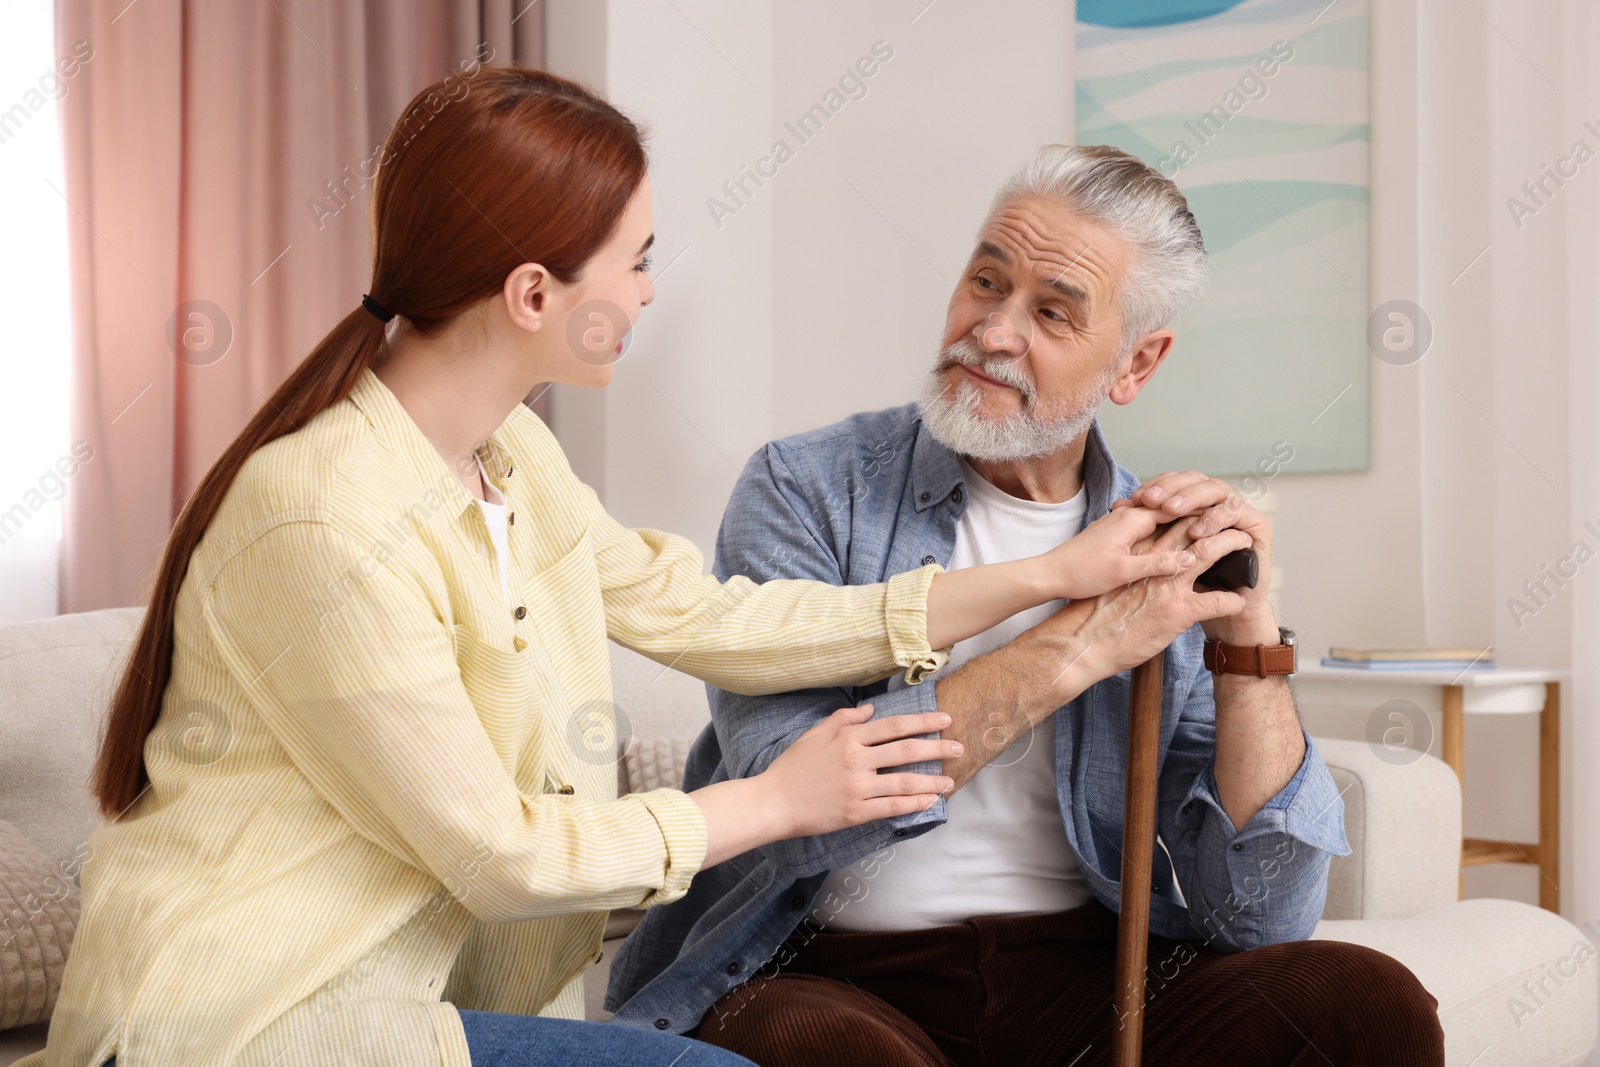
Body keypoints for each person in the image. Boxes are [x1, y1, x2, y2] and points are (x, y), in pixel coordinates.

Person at [23, 75, 1237, 1067]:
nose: (653, 289)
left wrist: (1051, 574)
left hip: (409, 1017)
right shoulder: (322, 517)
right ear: (537, 292)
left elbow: (705, 613)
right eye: (637, 259)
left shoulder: (509, 457)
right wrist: (775, 799)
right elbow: (497, 853)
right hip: (247, 1025)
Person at [605, 144, 1447, 1065]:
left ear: (1135, 364)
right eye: (985, 281)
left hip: (1085, 975)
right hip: (825, 968)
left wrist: (1247, 641)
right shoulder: (808, 488)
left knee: (1364, 1002)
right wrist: (1079, 644)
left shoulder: (1159, 549)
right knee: (824, 1047)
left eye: (1051, 311)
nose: (994, 330)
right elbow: (792, 800)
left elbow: (1259, 917)